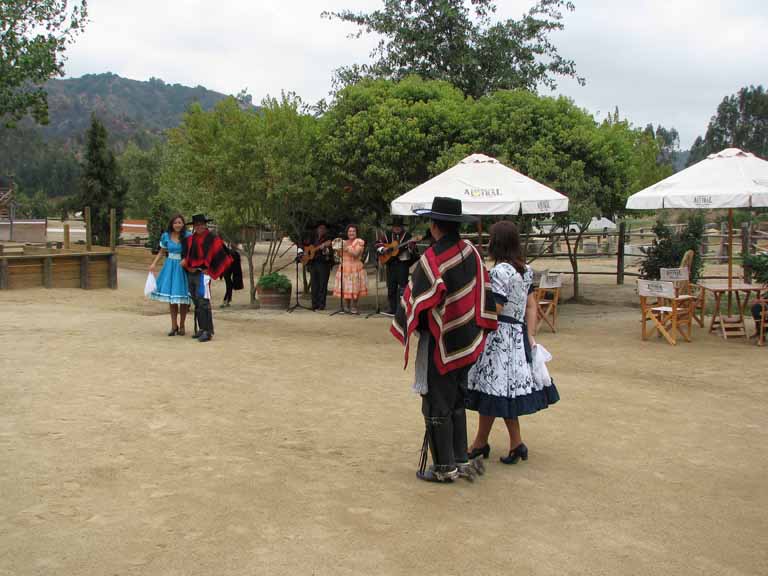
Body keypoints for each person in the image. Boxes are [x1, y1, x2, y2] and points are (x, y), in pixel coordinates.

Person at [391, 197, 498, 483]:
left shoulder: (433, 258)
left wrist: (411, 320)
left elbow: (417, 299)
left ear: (435, 225)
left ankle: (443, 468)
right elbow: (483, 290)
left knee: (436, 402)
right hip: (466, 338)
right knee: (456, 399)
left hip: (440, 341)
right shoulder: (472, 252)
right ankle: (460, 460)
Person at [466, 220, 560, 465]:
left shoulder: (499, 272)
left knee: (496, 391)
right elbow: (531, 306)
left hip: (499, 337)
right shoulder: (525, 270)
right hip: (517, 336)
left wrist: (476, 302)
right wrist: (529, 335)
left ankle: (507, 443)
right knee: (495, 392)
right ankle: (486, 442)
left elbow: (496, 307)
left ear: (496, 243)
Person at [181, 214, 233, 343]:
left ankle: (208, 331)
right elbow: (186, 256)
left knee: (203, 301)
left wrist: (209, 269)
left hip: (203, 275)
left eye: (201, 224)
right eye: (196, 225)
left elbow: (222, 254)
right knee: (196, 302)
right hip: (191, 273)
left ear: (205, 225)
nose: (199, 227)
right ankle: (201, 328)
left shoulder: (213, 239)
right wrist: (188, 266)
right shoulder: (190, 240)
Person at [148, 214, 191, 336]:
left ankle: (182, 325)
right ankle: (174, 326)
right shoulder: (166, 235)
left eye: (180, 222)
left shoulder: (188, 236)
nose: (178, 225)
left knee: (183, 298)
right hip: (170, 267)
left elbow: (192, 251)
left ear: (183, 224)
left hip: (182, 267)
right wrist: (153, 264)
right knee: (172, 298)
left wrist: (187, 260)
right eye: (175, 222)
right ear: (172, 224)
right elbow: (161, 252)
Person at [375, 217, 419, 316]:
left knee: (403, 286)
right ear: (392, 227)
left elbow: (413, 250)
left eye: (399, 226)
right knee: (391, 287)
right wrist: (384, 250)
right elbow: (378, 244)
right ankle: (392, 309)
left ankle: (403, 309)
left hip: (402, 264)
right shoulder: (387, 235)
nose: (397, 228)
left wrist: (411, 246)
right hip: (390, 264)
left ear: (402, 227)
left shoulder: (407, 236)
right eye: (395, 226)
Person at [333, 224, 368, 314]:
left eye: (353, 231)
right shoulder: (344, 241)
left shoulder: (359, 241)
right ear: (347, 233)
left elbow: (356, 253)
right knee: (346, 287)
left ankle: (354, 306)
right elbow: (340, 255)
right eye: (349, 231)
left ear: (356, 232)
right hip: (344, 266)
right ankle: (347, 306)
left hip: (355, 266)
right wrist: (337, 250)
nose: (351, 233)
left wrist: (345, 247)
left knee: (355, 287)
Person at [304, 221, 335, 311]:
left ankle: (321, 304)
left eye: (323, 228)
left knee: (322, 284)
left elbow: (330, 252)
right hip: (313, 263)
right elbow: (306, 247)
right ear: (317, 229)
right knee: (314, 285)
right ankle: (314, 304)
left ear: (325, 230)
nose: (321, 230)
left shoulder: (328, 239)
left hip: (323, 263)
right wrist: (306, 253)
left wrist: (325, 249)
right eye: (320, 228)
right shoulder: (312, 238)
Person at [221, 241, 243, 307]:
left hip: (228, 269)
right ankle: (227, 300)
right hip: (228, 269)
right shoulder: (234, 254)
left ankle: (226, 300)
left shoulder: (233, 254)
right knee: (229, 284)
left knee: (229, 285)